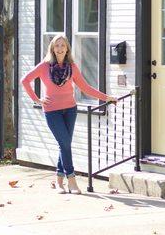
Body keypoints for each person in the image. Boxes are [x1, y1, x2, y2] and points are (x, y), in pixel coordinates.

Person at [21, 34, 117, 194]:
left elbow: (86, 88)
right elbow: (25, 80)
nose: (59, 49)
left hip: (70, 110)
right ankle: (71, 180)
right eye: (57, 46)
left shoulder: (72, 67)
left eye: (62, 46)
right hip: (52, 111)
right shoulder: (44, 66)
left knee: (64, 145)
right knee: (65, 143)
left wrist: (106, 98)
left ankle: (59, 182)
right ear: (52, 48)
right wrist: (37, 99)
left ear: (67, 49)